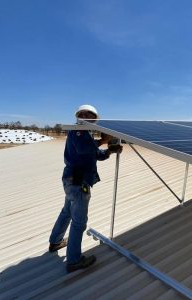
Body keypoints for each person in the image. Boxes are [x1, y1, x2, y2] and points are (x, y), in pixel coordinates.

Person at [49, 104, 123, 273]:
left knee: (66, 211)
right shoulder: (78, 131)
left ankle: (55, 241)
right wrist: (104, 141)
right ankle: (74, 261)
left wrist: (109, 151)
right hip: (78, 182)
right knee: (79, 223)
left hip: (71, 180)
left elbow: (95, 154)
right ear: (78, 116)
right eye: (83, 114)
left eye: (90, 115)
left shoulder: (84, 134)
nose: (86, 116)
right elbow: (85, 150)